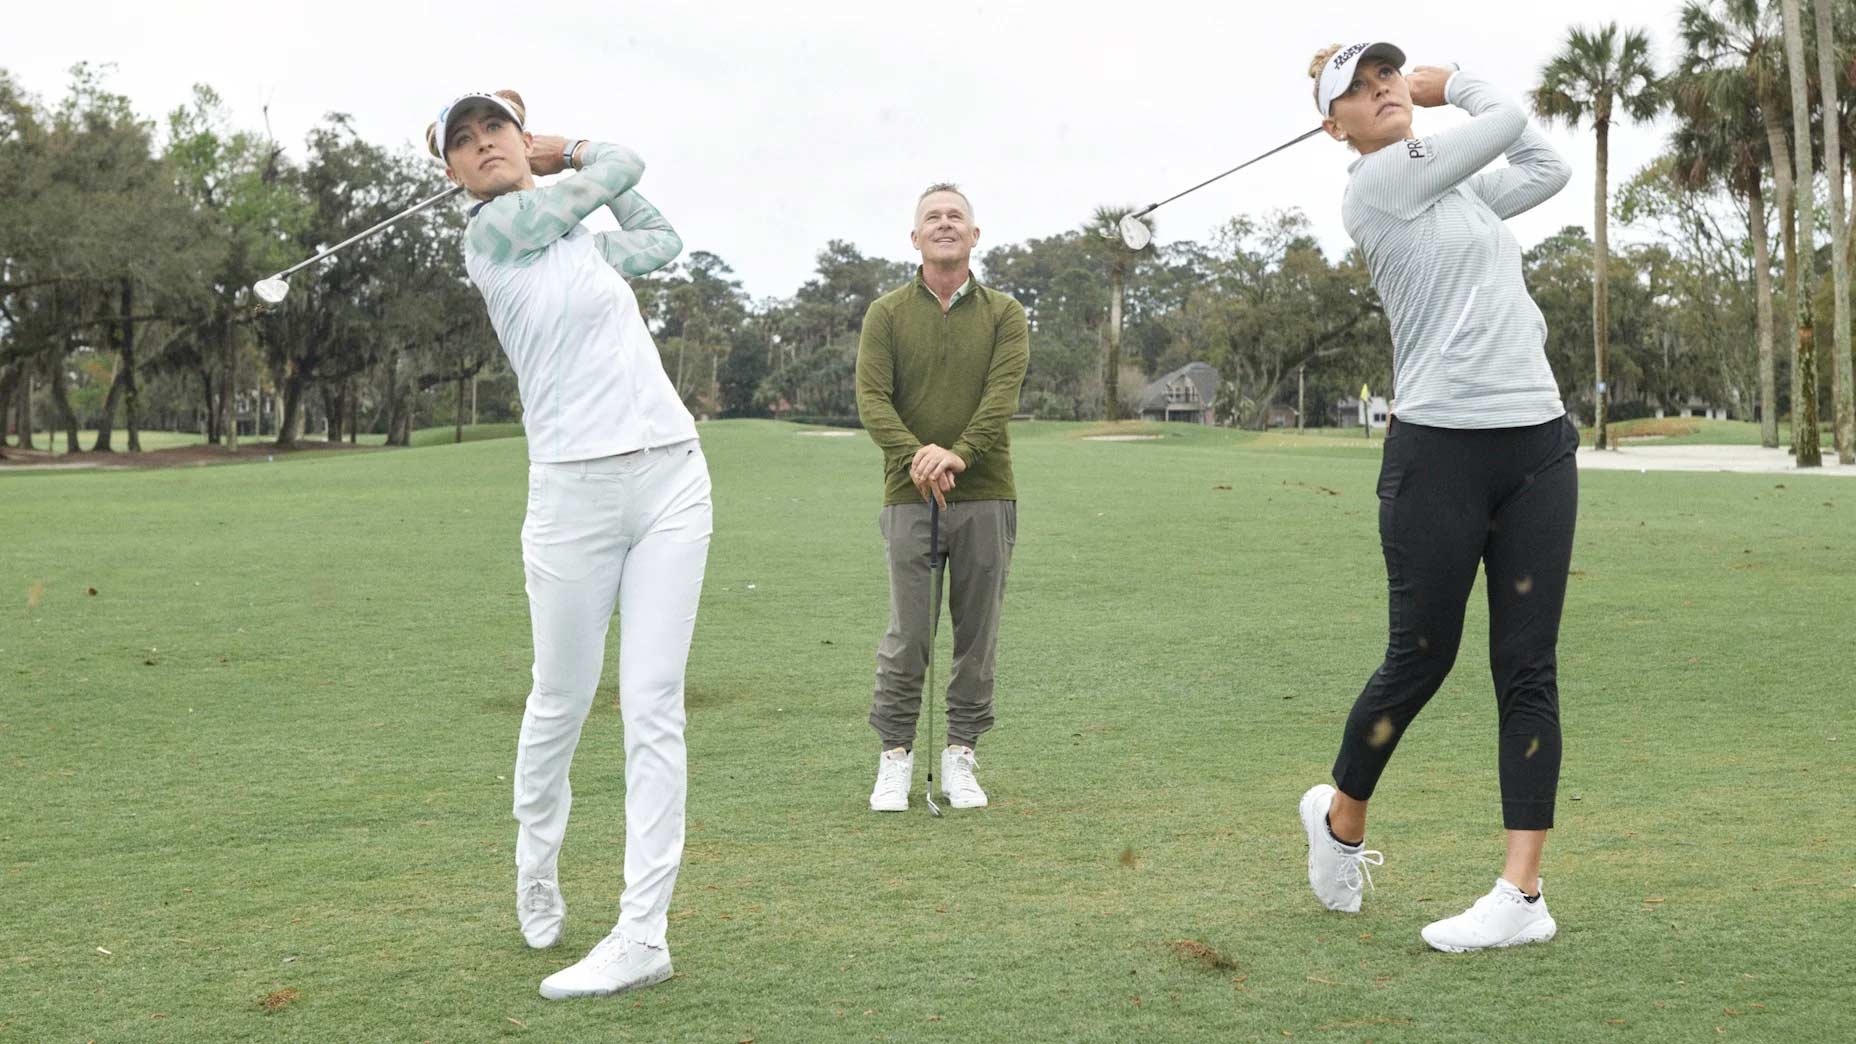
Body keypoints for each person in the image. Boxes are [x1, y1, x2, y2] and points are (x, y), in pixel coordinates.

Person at [1295, 44, 1578, 952]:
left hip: (1537, 443)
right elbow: (1505, 119)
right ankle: (1340, 819)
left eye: (1387, 75)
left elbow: (1548, 165)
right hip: (1439, 453)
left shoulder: (1456, 193)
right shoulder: (1380, 185)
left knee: (1527, 667)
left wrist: (1443, 97)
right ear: (1334, 127)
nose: (1382, 89)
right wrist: (1449, 83)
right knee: (1421, 658)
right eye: (1358, 89)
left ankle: (1521, 895)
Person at [428, 90, 711, 996]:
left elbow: (660, 238)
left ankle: (643, 932)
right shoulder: (493, 237)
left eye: (495, 130)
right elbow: (621, 164)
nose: (483, 145)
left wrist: (574, 167)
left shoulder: (580, 243)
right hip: (572, 495)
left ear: (521, 138)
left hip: (671, 474)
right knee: (560, 699)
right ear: (452, 174)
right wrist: (575, 152)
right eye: (463, 142)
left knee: (653, 703)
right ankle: (537, 864)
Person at [854, 183, 1029, 813]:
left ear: (975, 235)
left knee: (977, 639)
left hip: (985, 493)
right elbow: (872, 399)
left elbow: (1001, 396)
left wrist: (958, 453)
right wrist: (919, 456)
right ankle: (895, 758)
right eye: (933, 217)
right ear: (915, 237)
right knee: (909, 637)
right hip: (909, 496)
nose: (945, 223)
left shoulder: (1005, 313)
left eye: (957, 216)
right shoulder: (886, 313)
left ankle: (961, 755)